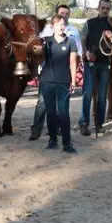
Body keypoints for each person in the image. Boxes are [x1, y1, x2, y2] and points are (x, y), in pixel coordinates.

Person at [30, 4, 82, 140]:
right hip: (47, 74)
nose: (64, 16)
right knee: (42, 103)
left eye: (66, 14)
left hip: (63, 75)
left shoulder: (73, 33)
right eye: (62, 13)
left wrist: (73, 79)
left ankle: (56, 129)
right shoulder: (45, 34)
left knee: (61, 107)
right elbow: (37, 50)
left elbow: (76, 56)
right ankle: (36, 129)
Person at [39, 14, 79, 153]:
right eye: (58, 25)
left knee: (63, 113)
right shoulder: (45, 42)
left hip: (64, 81)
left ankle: (67, 143)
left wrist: (73, 81)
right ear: (52, 26)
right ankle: (52, 140)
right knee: (50, 112)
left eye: (63, 25)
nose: (61, 27)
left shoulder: (70, 42)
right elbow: (37, 58)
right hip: (47, 80)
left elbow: (73, 63)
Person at [78, 0, 112, 136]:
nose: (105, 10)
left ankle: (99, 124)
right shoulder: (89, 23)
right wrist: (86, 52)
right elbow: (82, 39)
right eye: (103, 8)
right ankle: (83, 123)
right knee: (87, 94)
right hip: (91, 63)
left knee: (102, 96)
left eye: (107, 8)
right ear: (98, 8)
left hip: (105, 64)